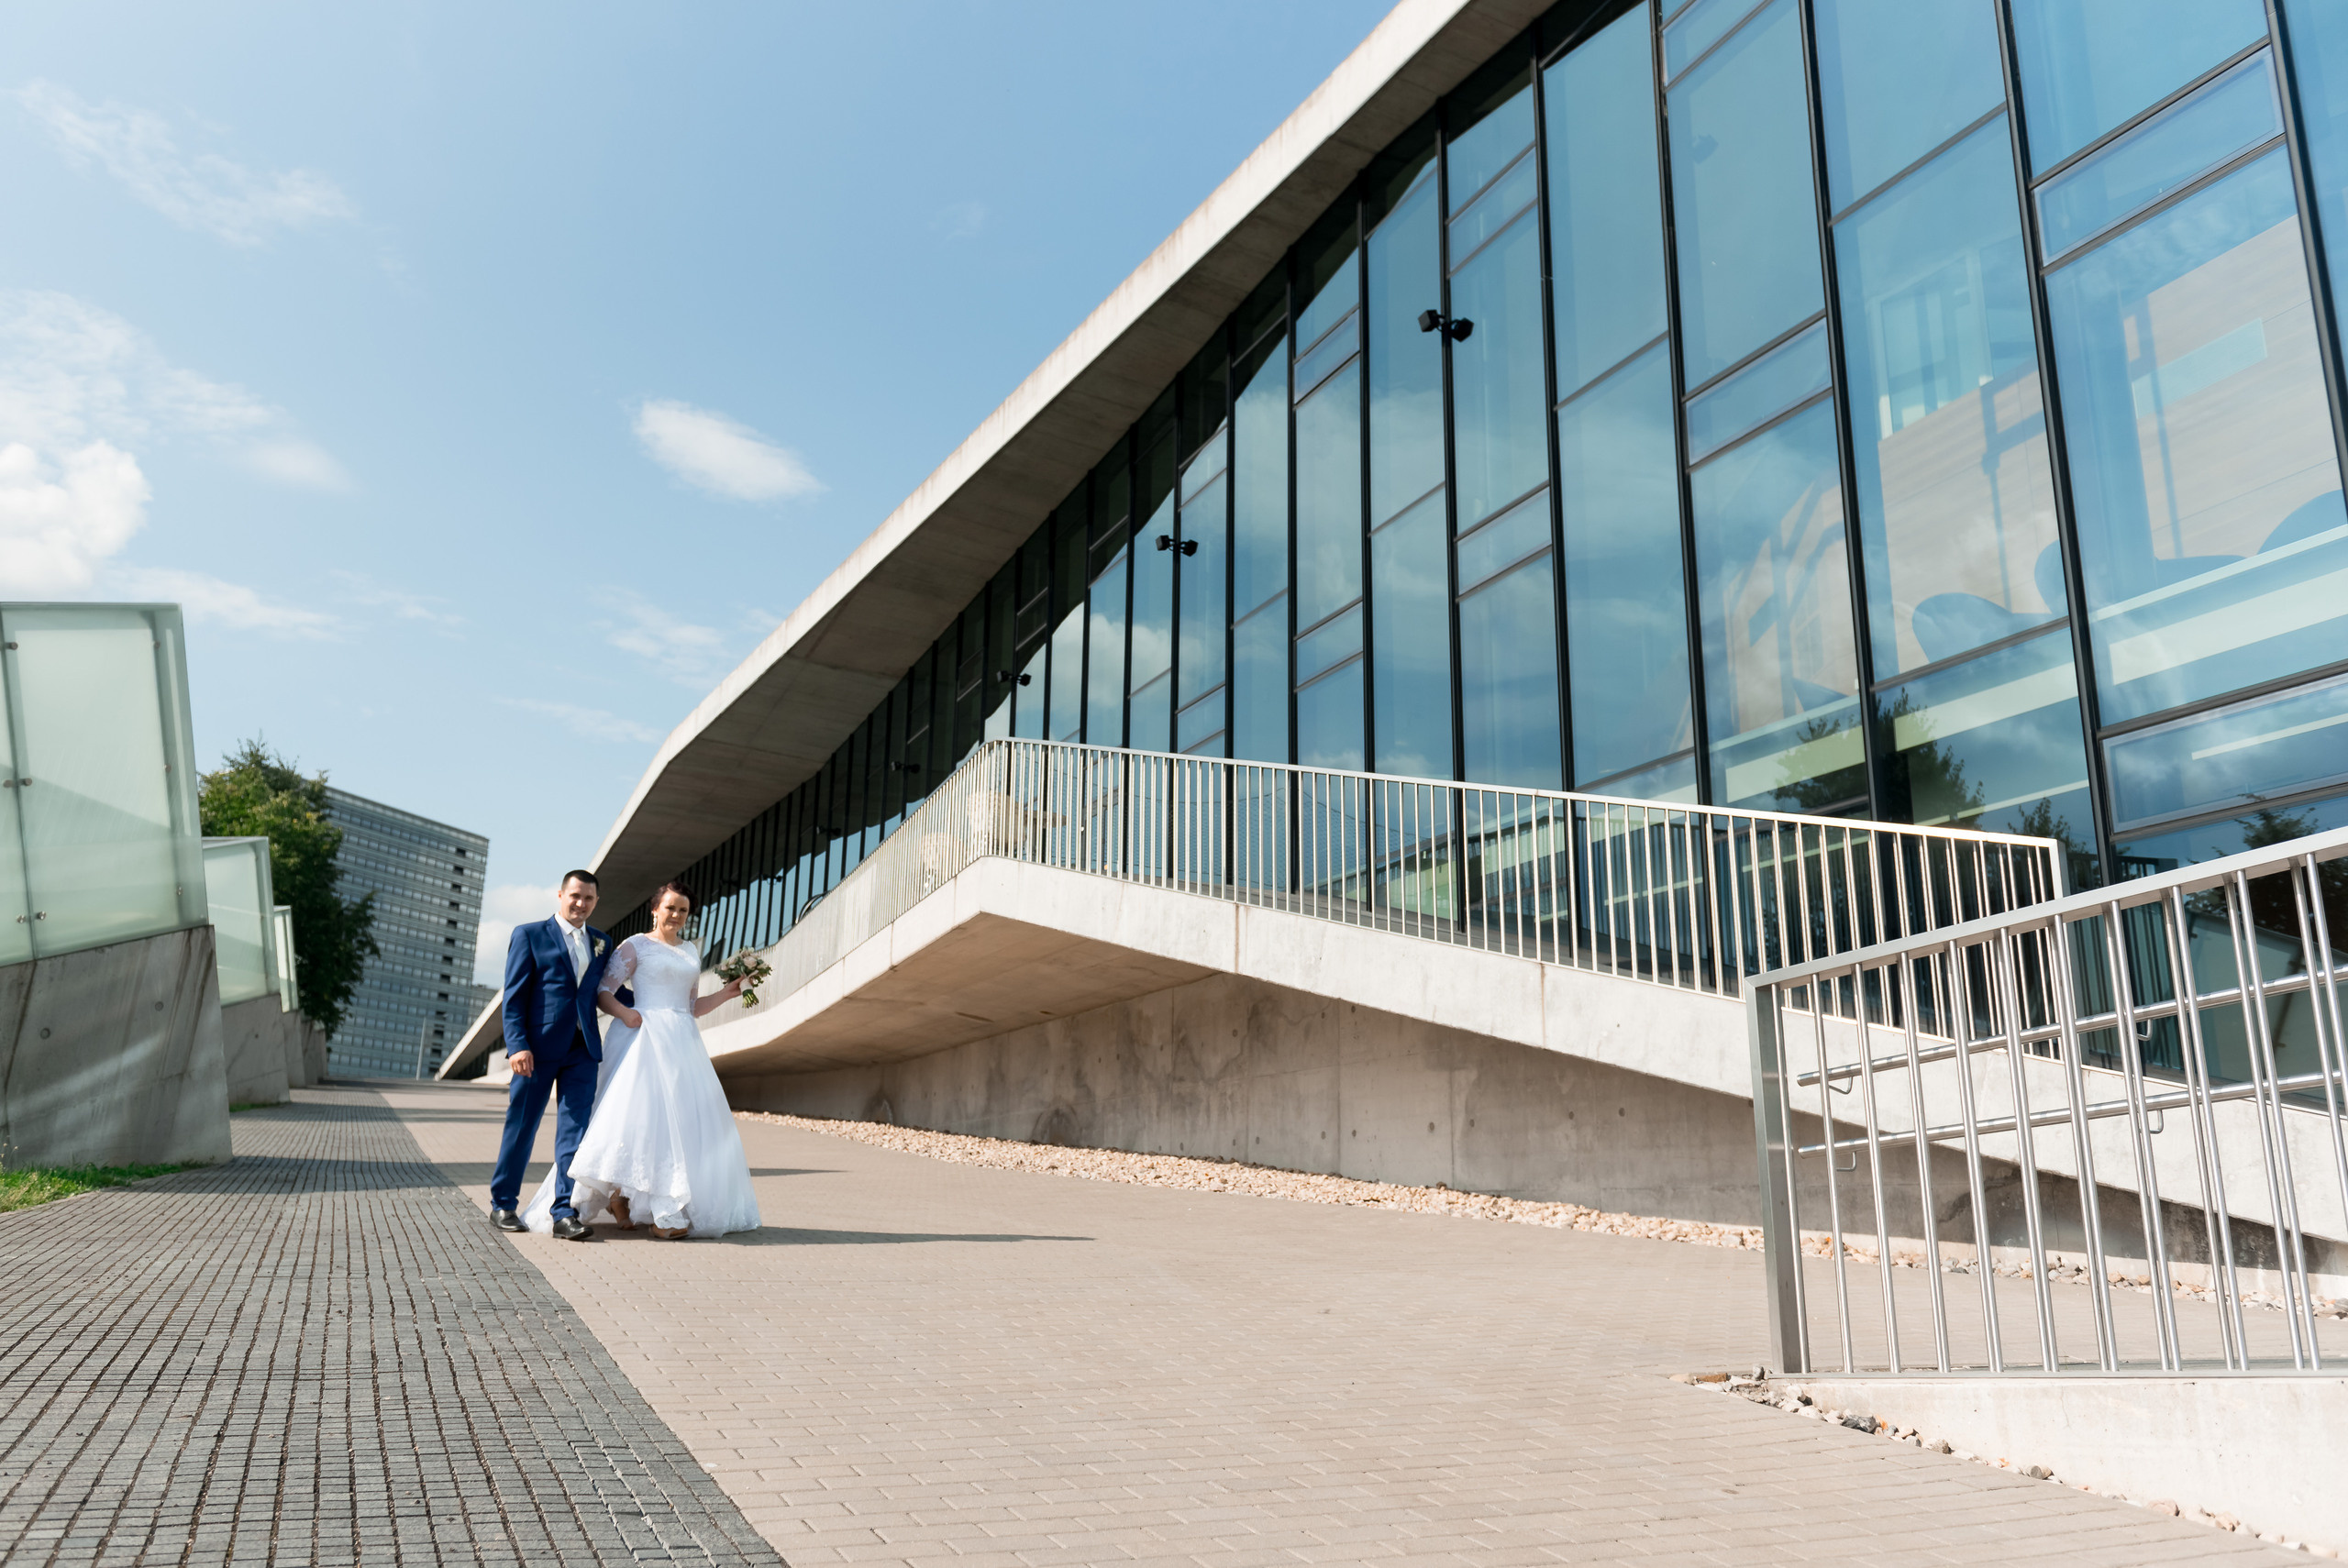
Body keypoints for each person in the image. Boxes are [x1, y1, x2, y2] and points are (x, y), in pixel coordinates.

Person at [521, 878, 761, 1239]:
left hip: (682, 1042)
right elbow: (604, 991)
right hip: (643, 1036)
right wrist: (625, 1014)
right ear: (655, 910)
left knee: (679, 1124)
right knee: (642, 1123)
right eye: (670, 908)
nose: (676, 915)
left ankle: (634, 1202)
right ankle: (657, 1212)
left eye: (683, 910)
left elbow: (691, 1006)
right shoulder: (635, 946)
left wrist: (727, 994)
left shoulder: (691, 951)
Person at [489, 870, 613, 1242]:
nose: (581, 904)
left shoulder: (602, 942)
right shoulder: (528, 934)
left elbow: (605, 992)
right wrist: (517, 1045)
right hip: (536, 1050)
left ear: (595, 902)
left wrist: (659, 1003)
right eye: (575, 896)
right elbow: (514, 997)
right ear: (560, 895)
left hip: (583, 1051)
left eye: (589, 899)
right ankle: (503, 1204)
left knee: (574, 1135)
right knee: (522, 1127)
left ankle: (563, 1212)